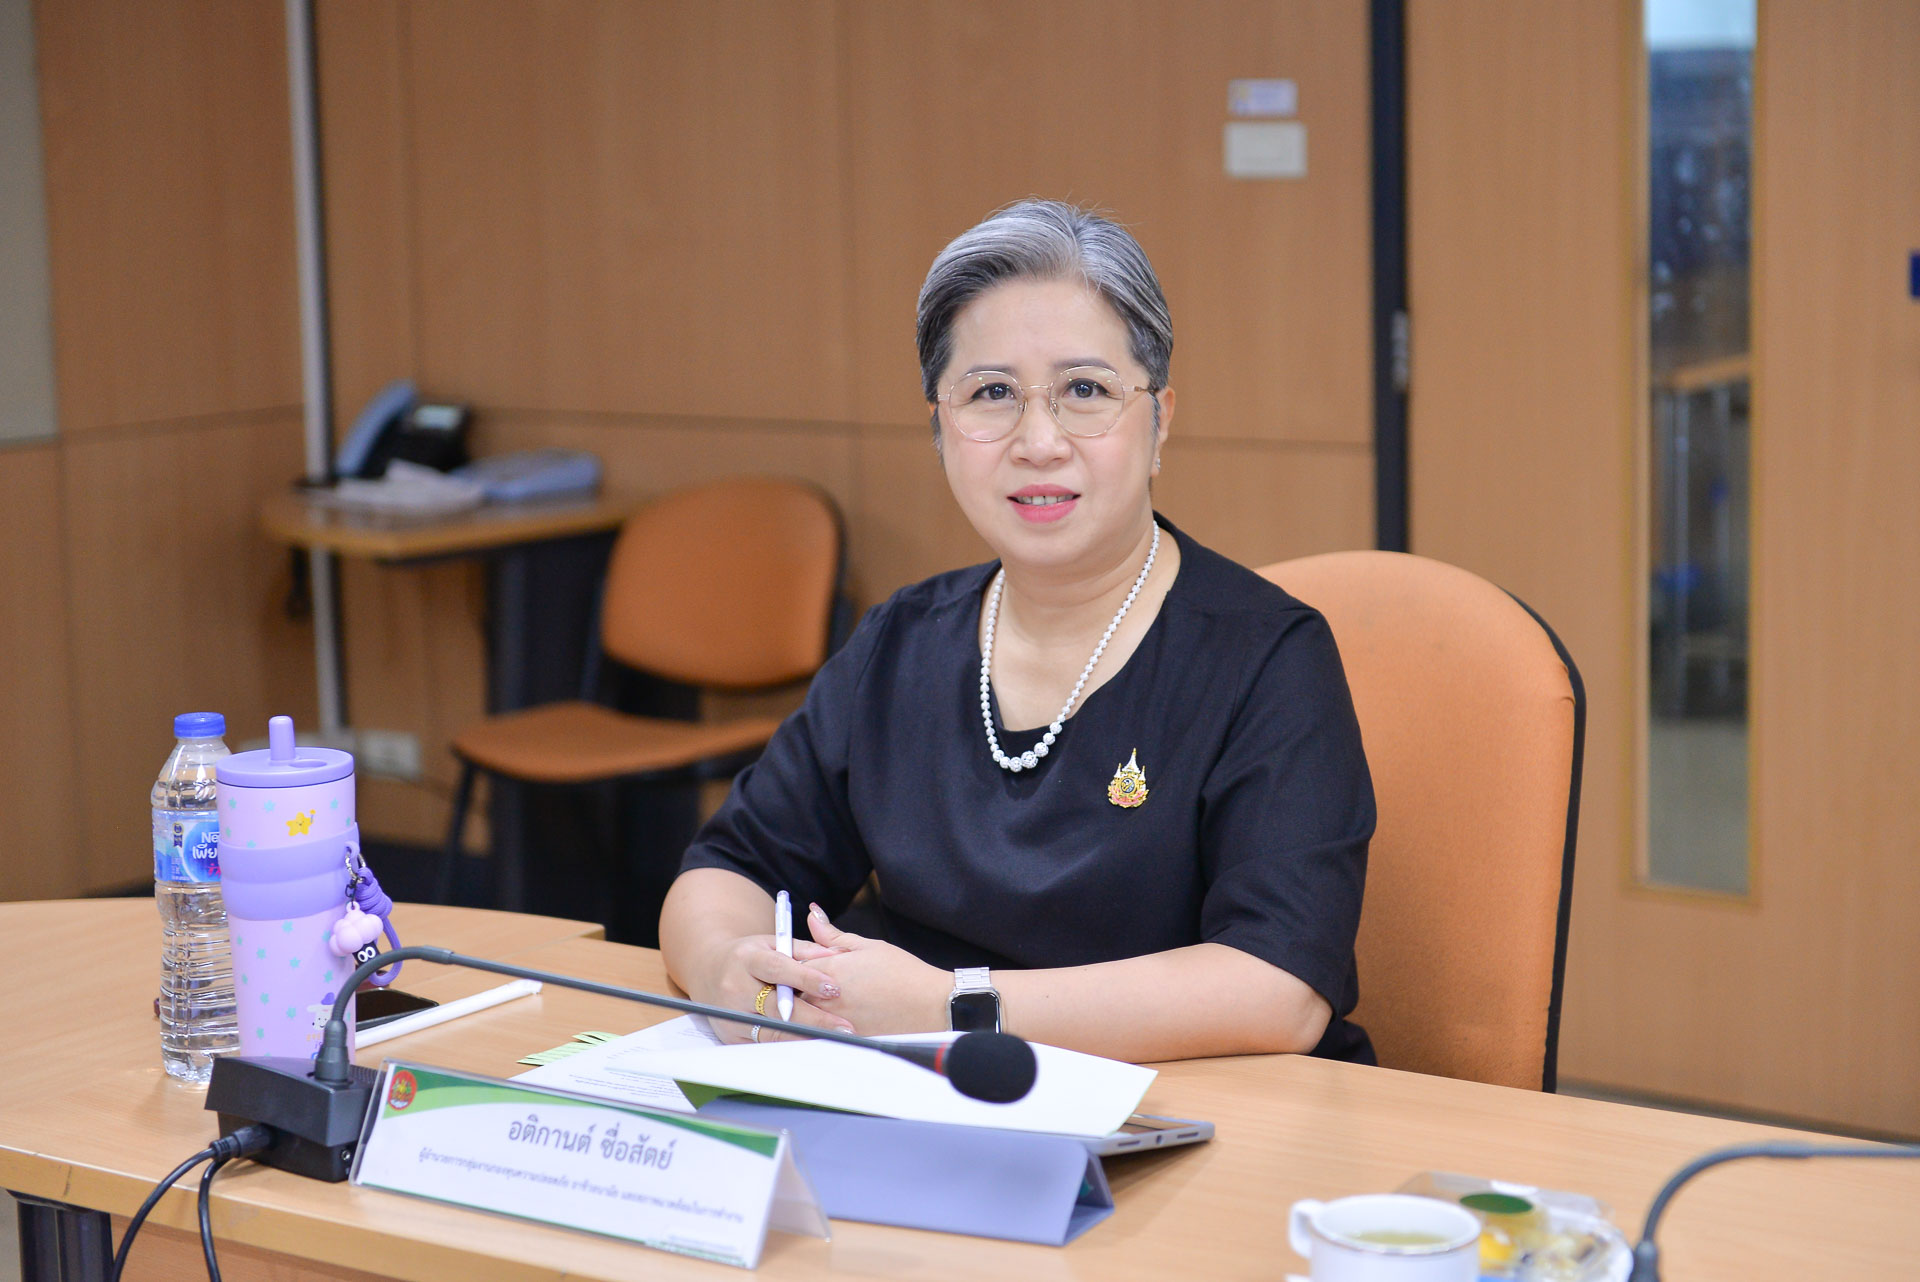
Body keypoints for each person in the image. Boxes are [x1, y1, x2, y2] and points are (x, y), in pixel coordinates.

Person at [659, 200, 1375, 1064]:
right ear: (940, 429)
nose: (1039, 441)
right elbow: (729, 868)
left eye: (1085, 392)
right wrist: (726, 970)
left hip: (1194, 1113)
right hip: (922, 1101)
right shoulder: (899, 644)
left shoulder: (1267, 657)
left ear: (1160, 421)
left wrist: (951, 1005)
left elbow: (1278, 991)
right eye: (992, 393)